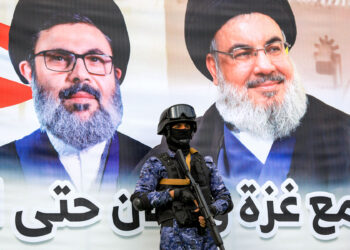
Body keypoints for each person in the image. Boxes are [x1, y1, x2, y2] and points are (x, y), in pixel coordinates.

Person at [183, 0, 350, 189]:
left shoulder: (344, 138)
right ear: (214, 68)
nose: (266, 66)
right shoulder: (180, 151)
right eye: (243, 53)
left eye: (274, 48)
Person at [0, 0, 150, 192]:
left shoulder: (150, 162)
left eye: (95, 59)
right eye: (59, 58)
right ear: (29, 72)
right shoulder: (4, 165)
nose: (80, 74)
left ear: (116, 76)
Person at [131, 104, 233, 249]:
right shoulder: (156, 164)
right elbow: (139, 201)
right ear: (167, 130)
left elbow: (226, 199)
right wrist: (173, 194)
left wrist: (211, 210)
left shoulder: (206, 163)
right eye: (178, 126)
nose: (183, 129)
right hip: (174, 240)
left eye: (187, 126)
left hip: (205, 237)